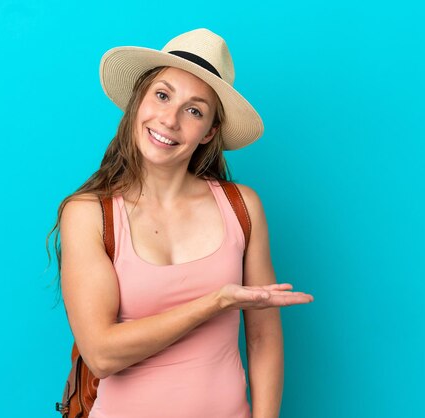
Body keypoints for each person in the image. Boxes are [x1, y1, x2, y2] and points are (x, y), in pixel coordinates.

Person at [48, 28, 314, 418]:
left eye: (194, 110)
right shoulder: (90, 213)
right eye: (162, 95)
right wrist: (216, 302)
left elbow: (263, 336)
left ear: (209, 132)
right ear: (139, 102)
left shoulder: (241, 206)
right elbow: (102, 354)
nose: (170, 119)